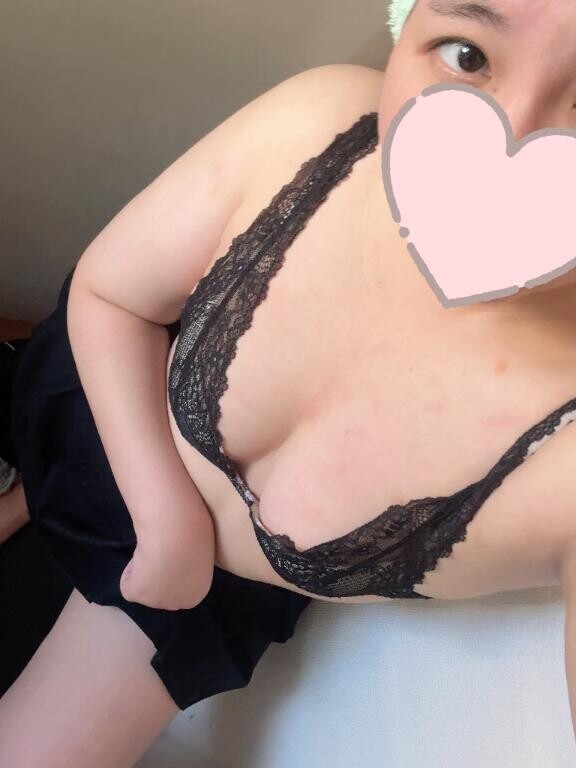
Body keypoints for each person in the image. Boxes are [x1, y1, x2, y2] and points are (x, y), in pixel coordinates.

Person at [2, 0, 576, 763]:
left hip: (182, 606)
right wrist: (166, 518)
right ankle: (20, 496)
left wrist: (178, 555)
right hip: (99, 422)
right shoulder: (319, 126)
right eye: (466, 55)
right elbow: (112, 298)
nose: (514, 131)